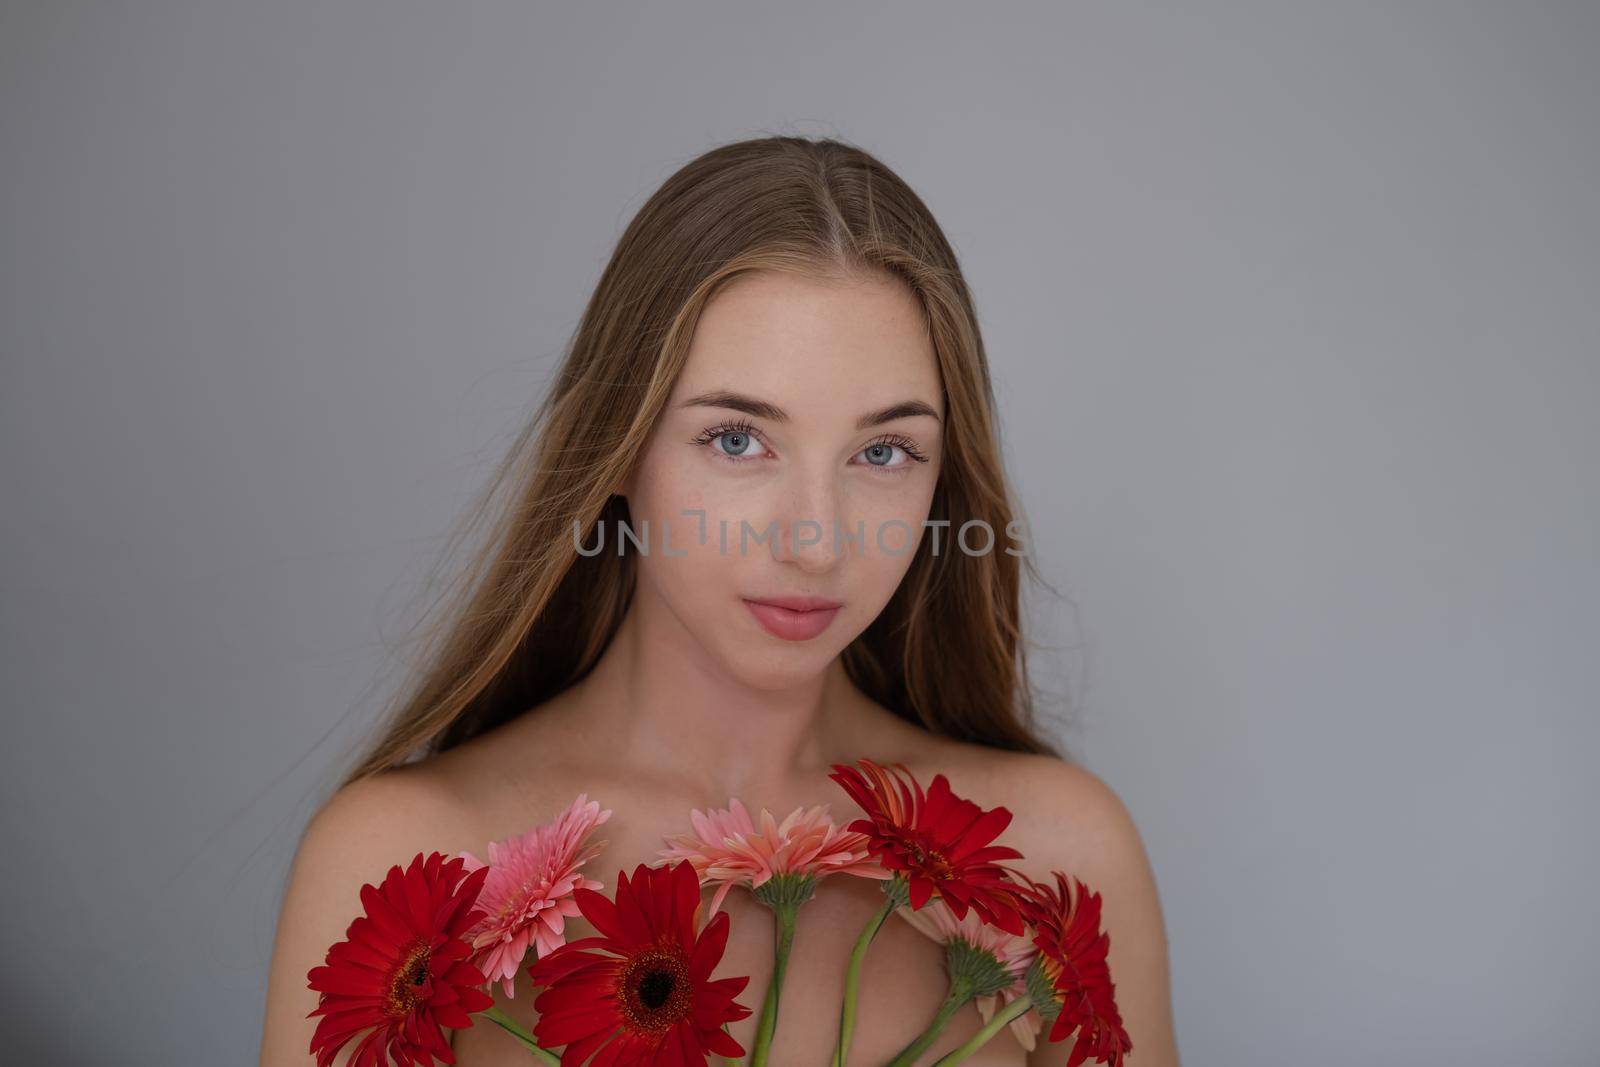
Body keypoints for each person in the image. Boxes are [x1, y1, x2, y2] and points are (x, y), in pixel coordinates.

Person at [258, 135, 1179, 1066]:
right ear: (616, 448)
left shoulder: (1061, 860)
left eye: (883, 451)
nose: (815, 541)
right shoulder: (402, 869)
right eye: (738, 439)